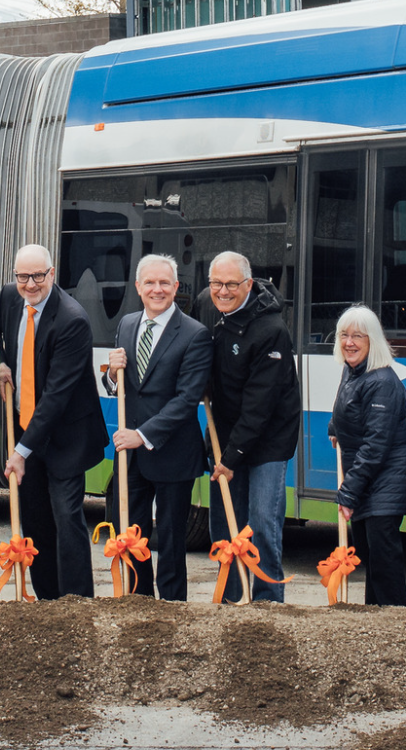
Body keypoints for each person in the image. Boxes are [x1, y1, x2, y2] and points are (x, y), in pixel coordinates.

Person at [0, 244, 107, 599]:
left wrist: (20, 452)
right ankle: (48, 600)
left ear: (52, 274)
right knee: (34, 519)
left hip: (67, 436)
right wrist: (0, 361)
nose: (31, 284)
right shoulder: (9, 298)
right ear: (15, 276)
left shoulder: (72, 320)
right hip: (25, 428)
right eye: (23, 276)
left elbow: (55, 397)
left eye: (38, 275)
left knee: (67, 518)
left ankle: (77, 600)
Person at [103, 254, 213, 600]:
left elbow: (186, 399)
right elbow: (121, 387)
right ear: (138, 287)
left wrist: (142, 435)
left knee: (169, 539)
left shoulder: (195, 334)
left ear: (176, 288)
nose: (157, 289)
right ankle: (138, 601)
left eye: (165, 283)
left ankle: (172, 607)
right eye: (149, 282)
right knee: (132, 535)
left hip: (171, 453)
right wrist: (109, 373)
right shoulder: (127, 324)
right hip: (132, 457)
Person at [198, 250, 301, 603]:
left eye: (231, 284)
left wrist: (231, 456)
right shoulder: (210, 309)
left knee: (260, 521)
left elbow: (260, 405)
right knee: (225, 524)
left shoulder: (271, 330)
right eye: (216, 283)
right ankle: (231, 596)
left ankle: (268, 600)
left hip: (267, 441)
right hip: (225, 435)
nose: (222, 291)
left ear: (249, 284)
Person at [328, 306, 406, 606]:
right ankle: (374, 617)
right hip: (369, 479)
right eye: (344, 335)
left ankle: (395, 621)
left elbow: (375, 445)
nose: (349, 342)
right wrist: (334, 425)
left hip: (387, 480)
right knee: (370, 554)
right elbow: (345, 401)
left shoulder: (383, 382)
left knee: (383, 557)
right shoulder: (353, 371)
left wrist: (348, 492)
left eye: (357, 336)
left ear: (372, 341)